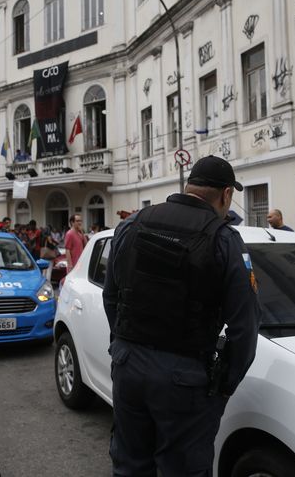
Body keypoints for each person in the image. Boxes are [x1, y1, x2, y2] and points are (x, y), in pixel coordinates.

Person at [103, 155, 261, 476]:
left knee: (130, 465)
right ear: (226, 194)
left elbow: (111, 296)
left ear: (189, 185)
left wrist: (121, 347)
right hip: (184, 377)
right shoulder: (225, 239)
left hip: (128, 366)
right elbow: (245, 325)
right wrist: (225, 384)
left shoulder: (132, 224)